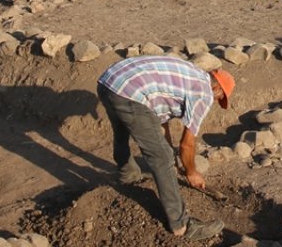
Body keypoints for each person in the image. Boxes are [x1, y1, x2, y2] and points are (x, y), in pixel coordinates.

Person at [97, 56, 234, 241]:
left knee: (121, 131)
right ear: (216, 87)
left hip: (109, 81)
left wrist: (172, 157)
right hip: (131, 93)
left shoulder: (190, 76)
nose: (217, 101)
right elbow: (187, 144)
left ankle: (127, 177)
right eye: (220, 97)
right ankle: (182, 225)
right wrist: (191, 172)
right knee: (161, 158)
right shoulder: (204, 93)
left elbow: (160, 123)